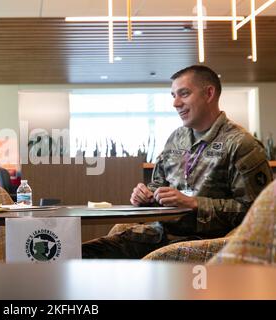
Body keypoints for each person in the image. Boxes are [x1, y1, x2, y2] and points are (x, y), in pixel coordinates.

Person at [83, 65, 273, 259]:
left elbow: (257, 213)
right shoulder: (176, 138)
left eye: (184, 94)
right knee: (83, 254)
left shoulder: (241, 144)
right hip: (160, 235)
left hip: (203, 243)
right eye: (173, 95)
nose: (175, 103)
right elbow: (158, 185)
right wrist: (145, 196)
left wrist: (194, 203)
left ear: (209, 93)